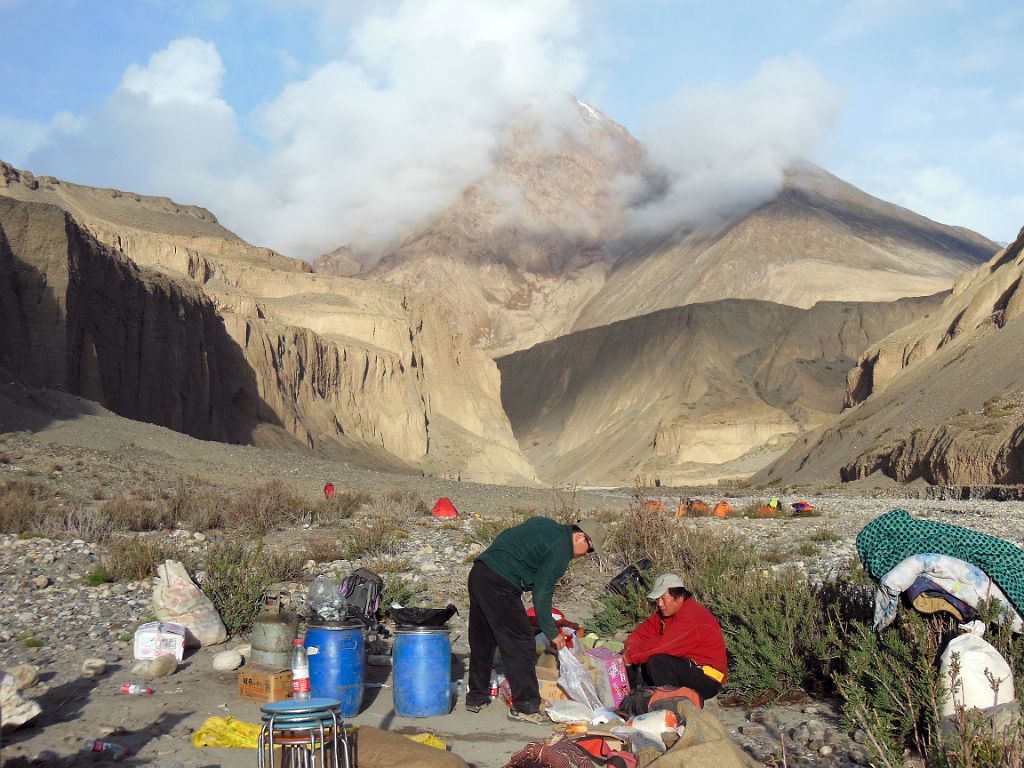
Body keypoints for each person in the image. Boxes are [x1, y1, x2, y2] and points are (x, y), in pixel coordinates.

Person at [466, 517, 607, 724]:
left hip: (480, 572)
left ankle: (476, 696)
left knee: (483, 638)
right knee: (521, 642)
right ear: (579, 537)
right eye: (589, 549)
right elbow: (542, 591)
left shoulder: (547, 525)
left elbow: (508, 537)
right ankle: (526, 706)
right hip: (500, 583)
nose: (586, 555)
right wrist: (551, 631)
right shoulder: (561, 549)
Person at [623, 573, 727, 703]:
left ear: (680, 596)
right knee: (640, 661)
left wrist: (629, 656)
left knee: (657, 660)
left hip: (707, 677)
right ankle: (635, 699)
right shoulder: (666, 613)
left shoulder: (691, 617)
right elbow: (640, 634)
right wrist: (630, 650)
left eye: (663, 598)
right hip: (686, 666)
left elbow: (663, 646)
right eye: (657, 599)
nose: (659, 604)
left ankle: (671, 703)